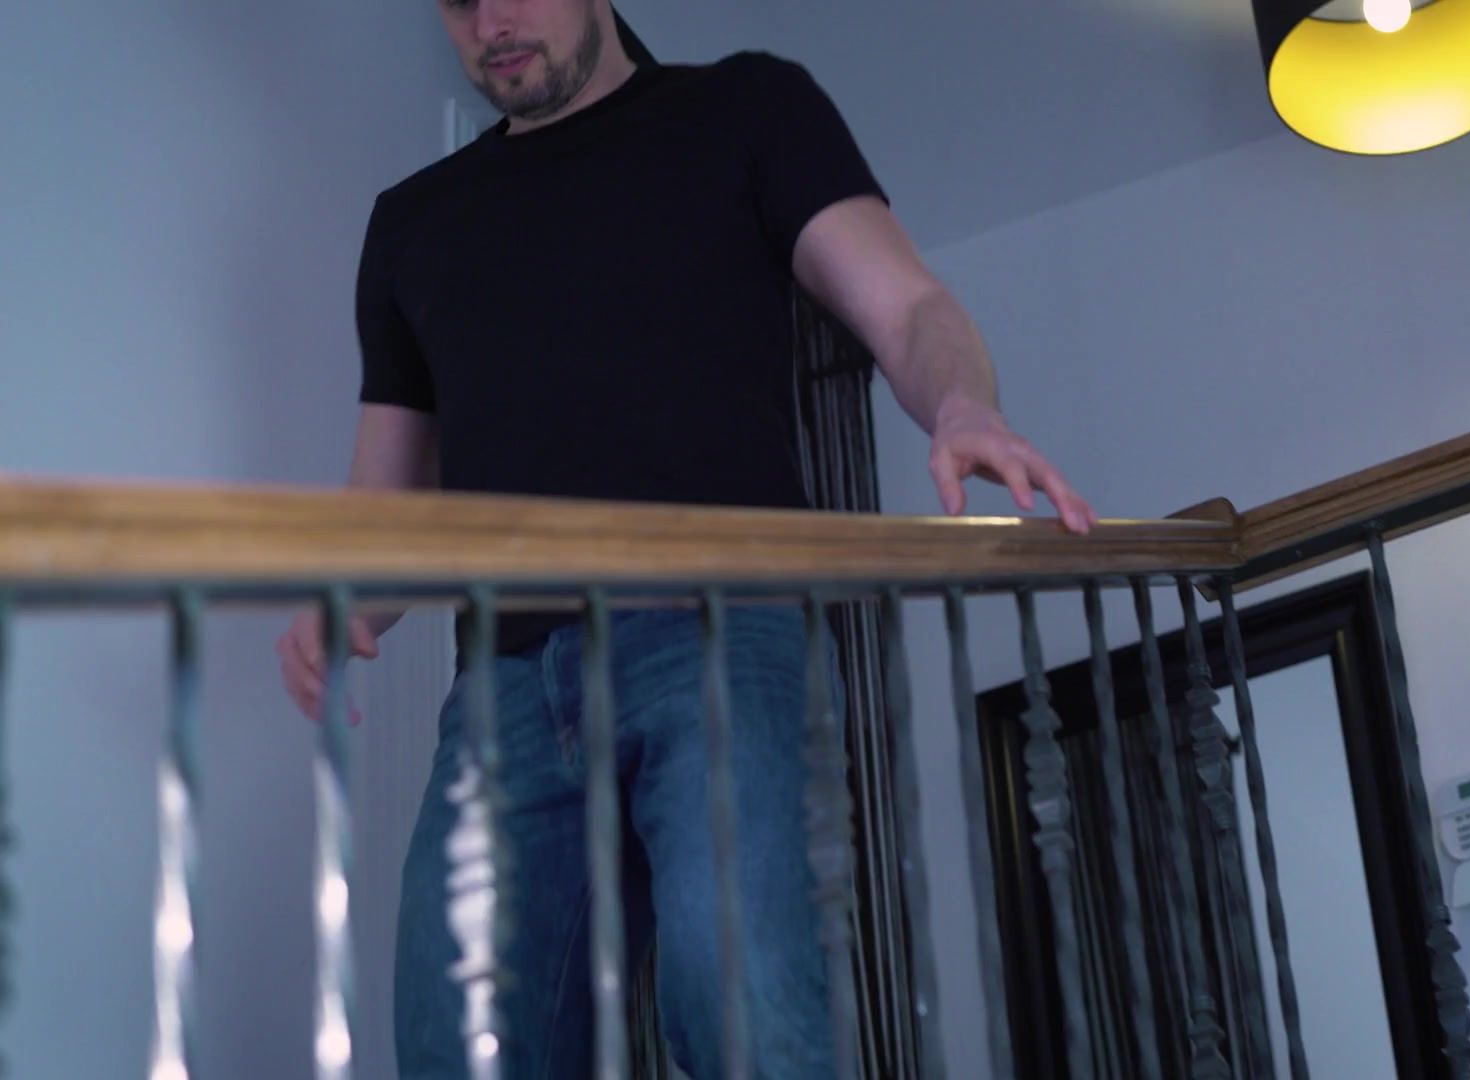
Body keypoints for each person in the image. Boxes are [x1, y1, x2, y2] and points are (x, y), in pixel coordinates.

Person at [274, 1, 1091, 1076]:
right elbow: (389, 507)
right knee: (460, 1045)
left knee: (743, 1009)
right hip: (505, 694)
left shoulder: (747, 108)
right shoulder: (412, 223)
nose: (491, 21)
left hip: (719, 633)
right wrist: (343, 599)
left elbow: (907, 309)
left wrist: (962, 407)